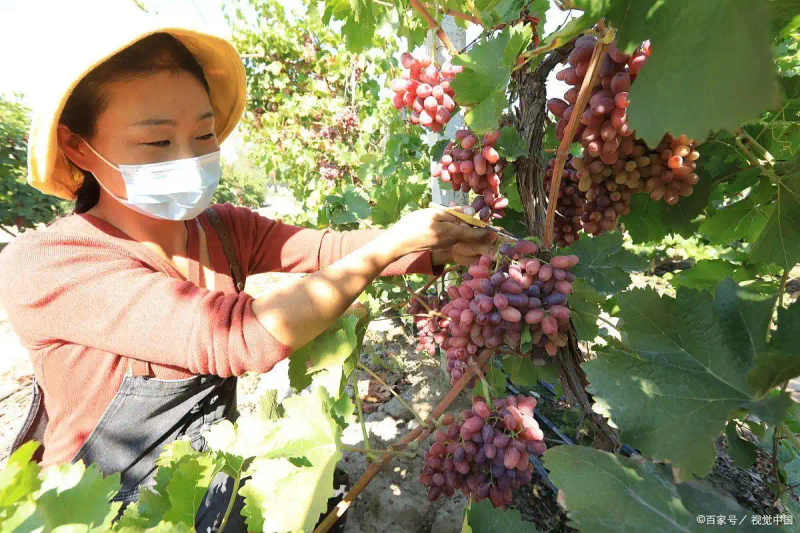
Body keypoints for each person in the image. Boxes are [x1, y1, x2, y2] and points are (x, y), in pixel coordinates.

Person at [0, 15, 496, 533]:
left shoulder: (221, 228)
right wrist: (386, 249)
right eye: (157, 145)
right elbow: (237, 338)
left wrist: (437, 248)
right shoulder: (48, 262)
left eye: (203, 134)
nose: (190, 160)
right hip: (103, 509)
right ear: (80, 148)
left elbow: (331, 250)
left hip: (214, 473)